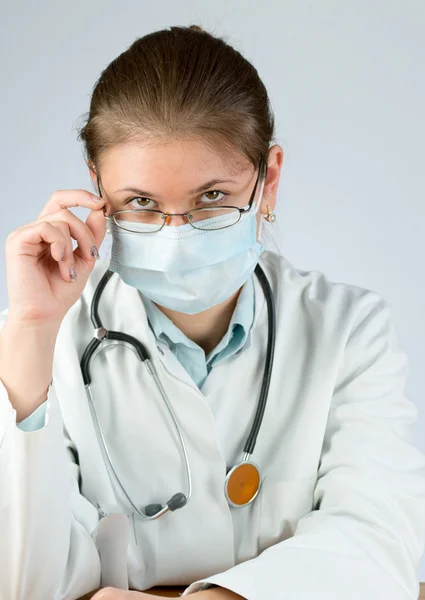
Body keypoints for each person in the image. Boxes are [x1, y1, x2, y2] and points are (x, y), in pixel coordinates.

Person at [0, 24, 424, 600]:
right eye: (142, 203)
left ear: (268, 179)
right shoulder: (49, 339)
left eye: (212, 197)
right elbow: (21, 581)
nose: (176, 238)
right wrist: (29, 329)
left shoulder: (348, 330)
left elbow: (383, 545)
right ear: (96, 187)